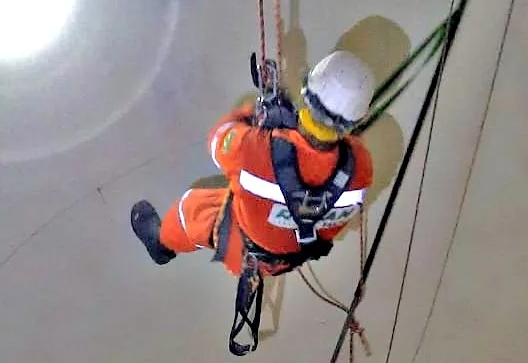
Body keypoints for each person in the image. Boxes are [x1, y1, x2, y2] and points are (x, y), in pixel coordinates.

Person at [130, 50, 374, 282]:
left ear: (307, 91)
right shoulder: (361, 168)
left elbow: (218, 138)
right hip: (292, 255)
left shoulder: (252, 151)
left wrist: (256, 115)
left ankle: (161, 245)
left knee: (192, 209)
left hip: (246, 250)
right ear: (357, 120)